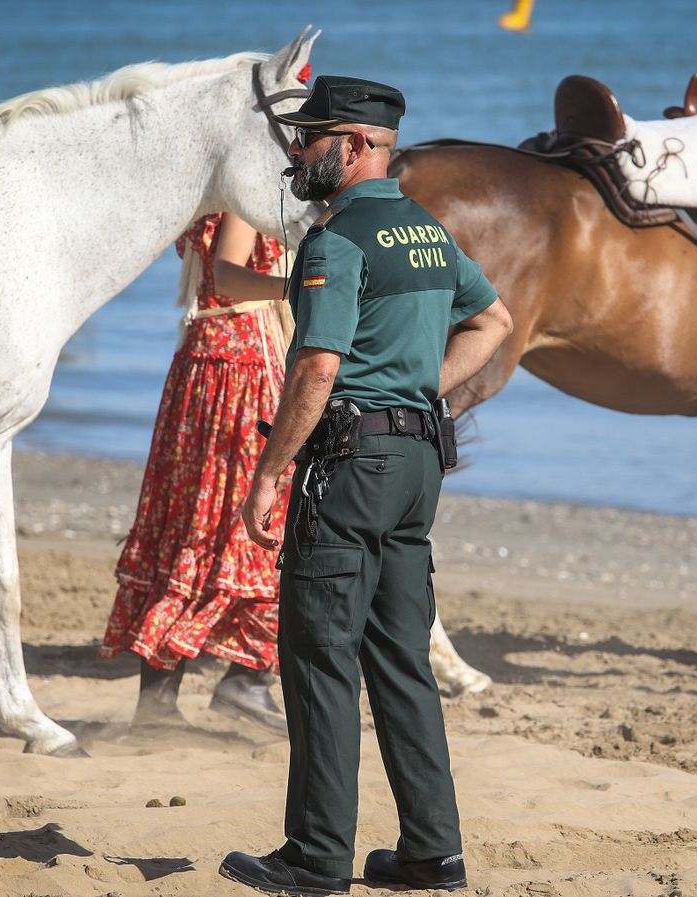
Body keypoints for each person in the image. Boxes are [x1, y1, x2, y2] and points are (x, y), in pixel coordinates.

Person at [218, 76, 513, 896]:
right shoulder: (428, 232)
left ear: (353, 146)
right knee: (401, 657)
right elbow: (493, 321)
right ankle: (432, 851)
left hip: (349, 468)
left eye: (310, 137)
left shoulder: (337, 239)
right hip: (417, 466)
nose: (296, 150)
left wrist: (269, 473)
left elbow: (318, 367)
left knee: (318, 653)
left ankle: (316, 858)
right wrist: (417, 392)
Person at [99, 211, 296, 734]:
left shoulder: (213, 197)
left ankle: (162, 701)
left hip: (210, 364)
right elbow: (228, 275)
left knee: (193, 522)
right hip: (241, 369)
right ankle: (243, 683)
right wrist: (300, 285)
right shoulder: (243, 201)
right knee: (252, 522)